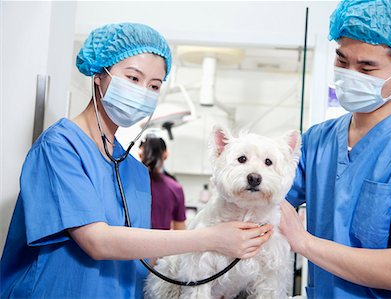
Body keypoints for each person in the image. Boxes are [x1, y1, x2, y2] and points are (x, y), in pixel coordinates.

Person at [0, 23, 273, 298]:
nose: (143, 92)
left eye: (154, 86)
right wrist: (211, 237)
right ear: (99, 74)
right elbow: (97, 242)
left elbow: (143, 257)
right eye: (133, 78)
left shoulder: (133, 170)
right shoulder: (59, 147)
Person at [279, 0, 391, 298]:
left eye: (366, 67)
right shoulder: (318, 140)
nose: (349, 75)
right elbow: (266, 198)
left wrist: (304, 242)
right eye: (342, 61)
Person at [140, 136, 187, 230]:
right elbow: (180, 230)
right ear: (165, 155)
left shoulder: (130, 183)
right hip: (162, 243)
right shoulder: (175, 188)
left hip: (132, 242)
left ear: (140, 154)